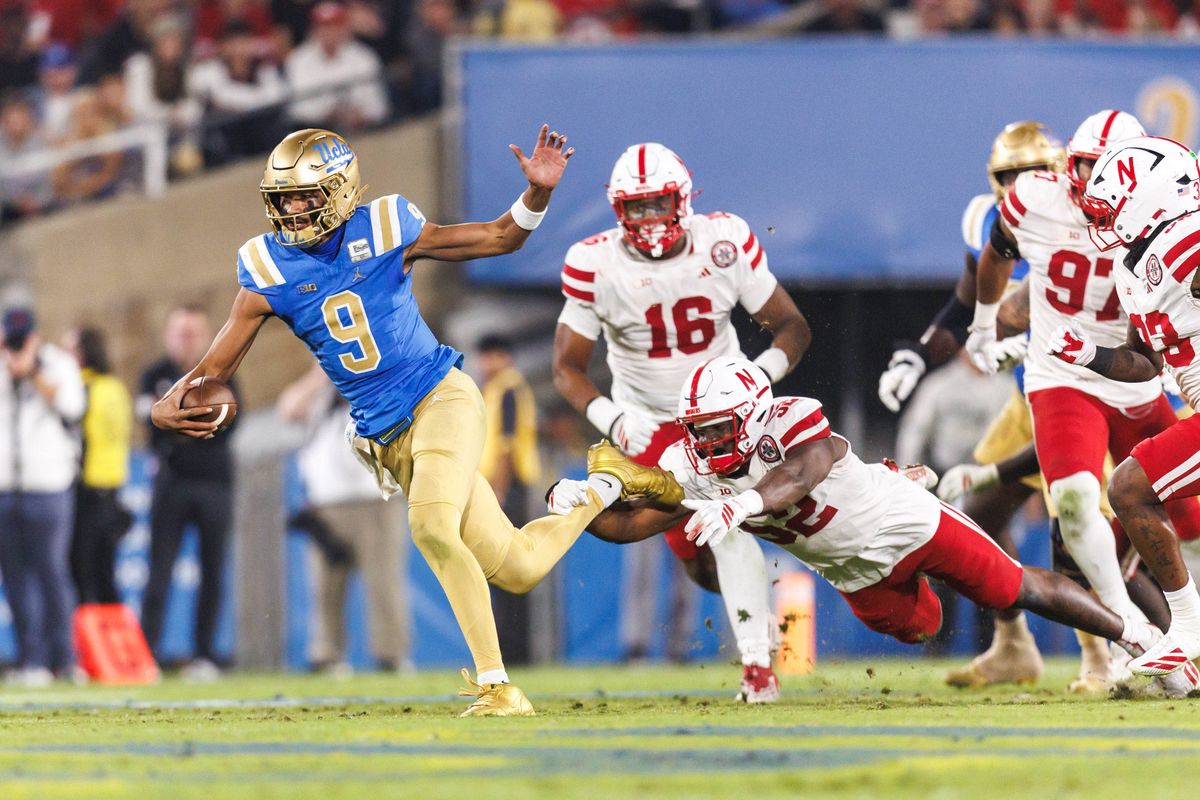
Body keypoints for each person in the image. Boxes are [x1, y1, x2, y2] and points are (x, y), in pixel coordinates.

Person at [148, 125, 669, 716]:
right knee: (518, 566)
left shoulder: (386, 225)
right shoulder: (265, 268)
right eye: (284, 197)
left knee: (430, 529)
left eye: (305, 195)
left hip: (440, 398)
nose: (292, 209)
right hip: (385, 436)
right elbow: (214, 369)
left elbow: (500, 238)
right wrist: (171, 401)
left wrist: (537, 195)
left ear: (341, 191)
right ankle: (605, 485)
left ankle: (499, 687)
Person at [549, 357, 1200, 697]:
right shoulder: (696, 469)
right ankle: (889, 473)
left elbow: (800, 474)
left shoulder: (790, 421)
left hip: (906, 522)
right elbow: (630, 525)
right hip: (854, 572)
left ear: (751, 414)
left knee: (1011, 587)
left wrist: (743, 507)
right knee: (925, 628)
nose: (708, 440)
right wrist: (577, 508)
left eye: (719, 426)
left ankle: (1142, 638)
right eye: (700, 430)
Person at [552, 142, 811, 702]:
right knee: (692, 559)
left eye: (657, 204)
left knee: (733, 526)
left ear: (683, 198)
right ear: (618, 209)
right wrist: (611, 416)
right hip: (648, 423)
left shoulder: (723, 241)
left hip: (725, 417)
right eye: (636, 208)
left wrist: (760, 374)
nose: (647, 220)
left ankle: (757, 665)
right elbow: (567, 369)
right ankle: (756, 624)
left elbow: (792, 326)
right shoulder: (594, 263)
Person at [966, 109, 1200, 635]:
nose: (1094, 187)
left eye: (1108, 174)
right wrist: (987, 327)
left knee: (1174, 513)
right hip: (1072, 372)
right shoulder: (1134, 264)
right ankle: (1136, 635)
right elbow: (1143, 360)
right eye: (1087, 166)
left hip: (1138, 384)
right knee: (1111, 495)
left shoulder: (1176, 243)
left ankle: (1178, 632)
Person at [878, 120, 1061, 688]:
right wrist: (917, 353)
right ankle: (1013, 644)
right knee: (977, 519)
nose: (1020, 186)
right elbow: (965, 305)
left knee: (1086, 527)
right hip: (1030, 397)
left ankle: (1128, 654)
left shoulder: (1082, 223)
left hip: (1090, 389)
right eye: (1010, 175)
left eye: (1033, 173)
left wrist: (1025, 340)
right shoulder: (985, 220)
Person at [1048, 135, 1200, 677]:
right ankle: (1189, 629)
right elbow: (1146, 362)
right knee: (1132, 489)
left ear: (1151, 197)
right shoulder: (1134, 267)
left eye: (1111, 205)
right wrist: (1089, 354)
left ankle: (1188, 628)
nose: (1103, 218)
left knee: (1130, 487)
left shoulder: (1189, 235)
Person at [278, 364, 410, 674]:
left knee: (384, 582)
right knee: (326, 585)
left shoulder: (376, 387)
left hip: (376, 499)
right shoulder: (319, 395)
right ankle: (327, 653)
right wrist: (319, 377)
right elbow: (287, 410)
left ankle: (391, 654)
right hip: (327, 504)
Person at [138, 305, 236, 681]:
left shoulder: (222, 373)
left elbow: (230, 422)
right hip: (170, 484)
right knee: (159, 569)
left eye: (193, 333)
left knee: (212, 571)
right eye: (180, 332)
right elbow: (146, 417)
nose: (186, 339)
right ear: (168, 335)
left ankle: (204, 654)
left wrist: (178, 418)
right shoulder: (156, 374)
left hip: (214, 484)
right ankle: (147, 654)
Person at [0, 306, 85, 686]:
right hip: (6, 487)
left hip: (49, 486)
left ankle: (65, 660)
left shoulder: (59, 364)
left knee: (53, 573)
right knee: (16, 579)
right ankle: (31, 661)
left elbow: (72, 408)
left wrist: (32, 371)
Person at [476, 334, 541, 664]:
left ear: (505, 357)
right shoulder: (496, 389)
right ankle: (510, 650)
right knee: (503, 572)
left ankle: (516, 652)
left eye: (490, 356)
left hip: (509, 488)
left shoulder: (509, 388)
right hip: (501, 487)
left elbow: (506, 445)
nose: (484, 363)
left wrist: (498, 491)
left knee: (509, 569)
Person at [64, 327, 132, 605]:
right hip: (112, 489)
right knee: (105, 574)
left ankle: (88, 644)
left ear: (80, 355)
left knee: (81, 573)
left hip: (86, 490)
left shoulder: (80, 389)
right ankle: (114, 644)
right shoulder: (116, 388)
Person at [285, 2, 388, 131]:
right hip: (316, 134)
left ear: (346, 28)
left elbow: (378, 106)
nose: (329, 32)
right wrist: (329, 114)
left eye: (335, 26)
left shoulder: (363, 56)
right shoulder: (298, 60)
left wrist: (360, 114)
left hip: (362, 130)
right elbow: (299, 110)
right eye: (324, 26)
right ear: (313, 29)